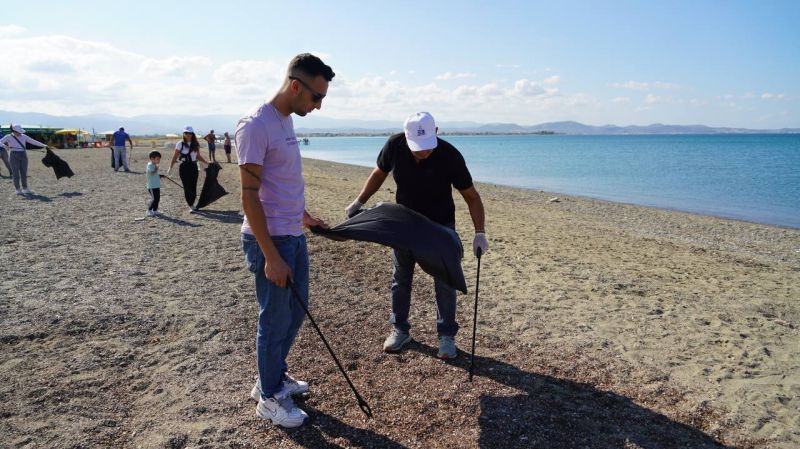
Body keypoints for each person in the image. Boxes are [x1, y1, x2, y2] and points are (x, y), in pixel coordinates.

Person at [236, 53, 333, 428]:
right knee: (274, 320)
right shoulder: (256, 125)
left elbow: (283, 183)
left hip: (292, 233)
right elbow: (249, 195)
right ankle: (270, 397)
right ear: (296, 86)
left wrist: (304, 217)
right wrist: (270, 255)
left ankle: (271, 378)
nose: (318, 105)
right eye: (316, 97)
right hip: (271, 240)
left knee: (294, 313)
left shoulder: (287, 120)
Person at [345, 112, 489, 359]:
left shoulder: (450, 155)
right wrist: (359, 201)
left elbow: (471, 196)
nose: (423, 152)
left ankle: (446, 335)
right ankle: (400, 330)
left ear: (437, 132)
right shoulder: (394, 145)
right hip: (405, 224)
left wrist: (479, 233)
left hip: (440, 225)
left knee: (445, 281)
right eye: (417, 148)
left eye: (427, 147)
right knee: (401, 278)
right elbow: (379, 173)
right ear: (406, 137)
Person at [166, 126, 209, 213]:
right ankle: (190, 204)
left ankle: (192, 203)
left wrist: (206, 162)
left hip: (193, 166)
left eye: (190, 133)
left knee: (193, 186)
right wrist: (170, 167)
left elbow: (197, 156)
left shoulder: (196, 144)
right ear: (183, 134)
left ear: (192, 134)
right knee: (187, 186)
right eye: (186, 133)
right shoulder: (180, 144)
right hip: (184, 167)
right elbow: (175, 156)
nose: (188, 135)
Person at [0, 124, 48, 194]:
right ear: (14, 131)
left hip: (23, 155)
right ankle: (17, 189)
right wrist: (4, 146)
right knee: (15, 173)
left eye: (20, 132)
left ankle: (25, 188)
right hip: (13, 155)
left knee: (24, 172)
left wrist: (44, 145)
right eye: (18, 132)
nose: (20, 133)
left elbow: (33, 141)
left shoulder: (24, 136)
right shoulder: (8, 136)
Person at [146, 151, 162, 216]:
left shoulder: (154, 165)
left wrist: (160, 176)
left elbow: (155, 174)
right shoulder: (150, 165)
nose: (159, 161)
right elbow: (151, 173)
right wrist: (156, 169)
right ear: (152, 159)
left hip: (156, 185)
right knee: (154, 198)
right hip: (152, 186)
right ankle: (149, 210)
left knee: (157, 198)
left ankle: (155, 210)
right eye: (157, 159)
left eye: (159, 159)